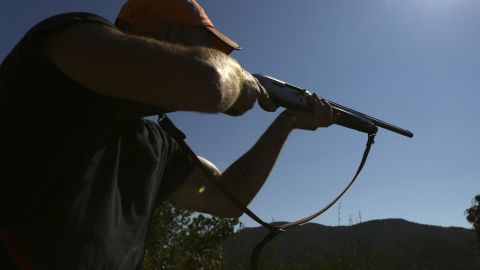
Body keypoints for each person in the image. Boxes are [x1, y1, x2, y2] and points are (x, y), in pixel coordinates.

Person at [0, 0, 335, 269]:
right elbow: (208, 81)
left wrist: (287, 121)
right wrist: (237, 79)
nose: (222, 59)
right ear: (165, 31)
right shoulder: (64, 41)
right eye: (211, 49)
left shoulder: (154, 145)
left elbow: (228, 196)